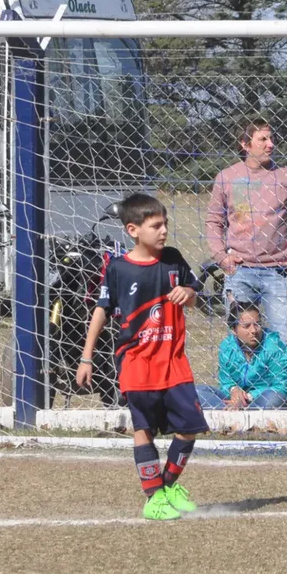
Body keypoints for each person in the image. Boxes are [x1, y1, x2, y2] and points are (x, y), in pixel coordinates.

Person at [76, 193, 208, 521]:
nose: (163, 231)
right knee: (143, 428)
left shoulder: (174, 259)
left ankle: (167, 486)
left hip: (173, 358)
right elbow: (101, 311)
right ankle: (153, 498)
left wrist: (188, 294)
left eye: (165, 224)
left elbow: (195, 297)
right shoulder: (119, 268)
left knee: (190, 426)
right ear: (133, 230)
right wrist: (86, 357)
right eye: (155, 226)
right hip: (136, 361)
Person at [205, 118, 287, 392]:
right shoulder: (227, 178)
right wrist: (222, 257)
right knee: (241, 341)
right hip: (240, 272)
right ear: (245, 143)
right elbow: (214, 222)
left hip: (278, 273)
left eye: (271, 138)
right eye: (262, 139)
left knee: (284, 341)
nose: (270, 144)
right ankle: (241, 397)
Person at [196, 302, 287, 410]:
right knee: (196, 392)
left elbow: (283, 386)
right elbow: (226, 382)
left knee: (273, 398)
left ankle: (236, 414)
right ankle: (231, 413)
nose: (253, 330)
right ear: (234, 330)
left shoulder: (273, 346)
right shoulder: (227, 347)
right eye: (247, 326)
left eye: (257, 324)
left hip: (262, 400)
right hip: (233, 399)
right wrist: (233, 389)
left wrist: (248, 396)